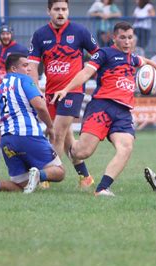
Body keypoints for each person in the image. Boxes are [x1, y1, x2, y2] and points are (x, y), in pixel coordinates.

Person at [52, 22, 156, 196]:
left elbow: (149, 62)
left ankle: (102, 188)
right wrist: (66, 89)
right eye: (123, 37)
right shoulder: (104, 54)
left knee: (126, 147)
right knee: (81, 152)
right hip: (101, 107)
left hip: (123, 112)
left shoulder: (133, 58)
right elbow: (85, 73)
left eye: (130, 37)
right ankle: (68, 137)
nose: (127, 41)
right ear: (114, 38)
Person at [28, 0, 99, 189]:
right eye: (57, 9)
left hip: (73, 92)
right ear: (48, 11)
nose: (61, 13)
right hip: (51, 93)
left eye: (64, 9)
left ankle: (46, 177)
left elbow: (98, 55)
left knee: (56, 133)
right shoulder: (40, 35)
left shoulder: (80, 31)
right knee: (67, 138)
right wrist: (35, 91)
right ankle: (85, 177)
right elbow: (32, 66)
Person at [0, 53, 65, 193]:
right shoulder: (23, 80)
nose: (28, 69)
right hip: (28, 134)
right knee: (60, 172)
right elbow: (40, 106)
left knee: (21, 184)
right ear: (14, 69)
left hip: (6, 141)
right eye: (25, 65)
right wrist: (50, 126)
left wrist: (7, 143)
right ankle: (39, 174)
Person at [0, 25, 28, 160]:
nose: (5, 36)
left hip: (13, 90)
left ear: (12, 34)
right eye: (3, 34)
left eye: (8, 34)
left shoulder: (20, 49)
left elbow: (29, 66)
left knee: (12, 118)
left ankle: (18, 149)